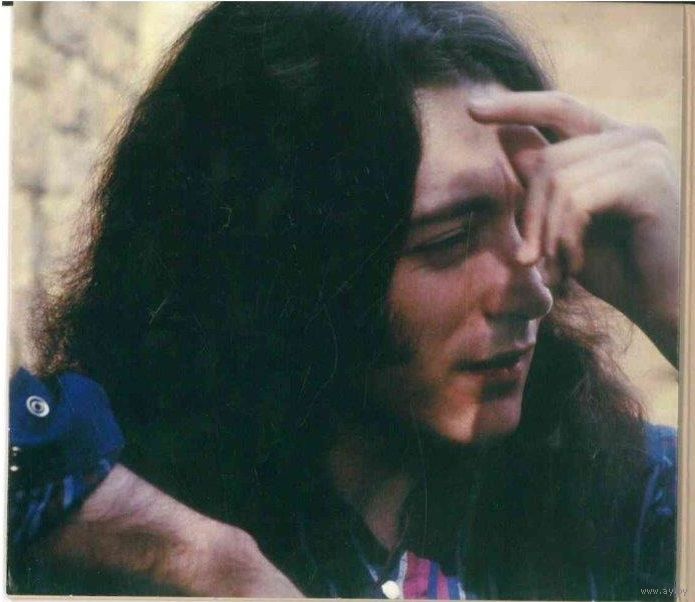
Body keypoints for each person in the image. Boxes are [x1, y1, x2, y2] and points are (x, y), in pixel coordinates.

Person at [8, 2, 679, 599]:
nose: (532, 293)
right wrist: (199, 559)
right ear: (284, 256)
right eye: (449, 239)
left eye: (534, 218)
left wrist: (679, 304)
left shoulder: (613, 500)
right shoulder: (109, 497)